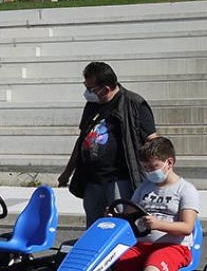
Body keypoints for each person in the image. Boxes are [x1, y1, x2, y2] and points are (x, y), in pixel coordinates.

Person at [96, 137, 200, 271]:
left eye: (153, 167)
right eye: (145, 167)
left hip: (174, 246)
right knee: (99, 267)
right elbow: (129, 217)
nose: (149, 172)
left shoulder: (185, 190)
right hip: (141, 244)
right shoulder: (144, 188)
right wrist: (115, 217)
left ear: (169, 163)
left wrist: (158, 224)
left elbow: (187, 227)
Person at [58, 62, 159, 225]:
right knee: (94, 226)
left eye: (91, 88)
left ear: (105, 89)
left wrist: (158, 175)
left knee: (118, 224)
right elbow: (82, 140)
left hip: (119, 180)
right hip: (92, 180)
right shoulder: (92, 106)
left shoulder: (134, 104)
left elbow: (152, 141)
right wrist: (68, 171)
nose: (87, 93)